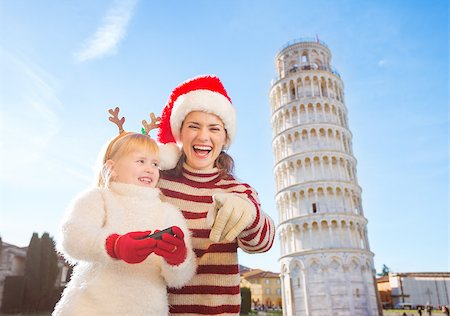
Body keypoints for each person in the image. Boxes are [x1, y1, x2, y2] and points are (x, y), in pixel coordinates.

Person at [52, 108, 196, 316]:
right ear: (112, 168)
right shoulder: (99, 198)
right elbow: (72, 237)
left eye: (155, 163)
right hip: (89, 308)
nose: (150, 169)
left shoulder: (167, 213)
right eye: (140, 161)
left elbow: (180, 278)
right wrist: (114, 245)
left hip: (147, 310)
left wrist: (178, 258)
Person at [157, 75, 276, 315]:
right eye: (194, 126)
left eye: (214, 128)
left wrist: (250, 215)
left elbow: (263, 243)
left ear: (225, 138)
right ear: (179, 133)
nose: (203, 137)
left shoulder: (238, 191)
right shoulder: (158, 183)